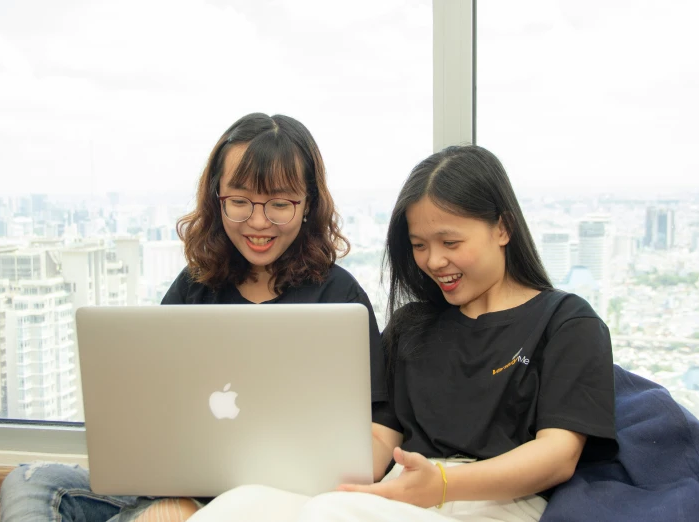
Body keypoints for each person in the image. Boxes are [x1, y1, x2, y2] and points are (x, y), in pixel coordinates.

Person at [188, 145, 618, 522]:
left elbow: (559, 455)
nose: (433, 261)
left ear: (502, 228)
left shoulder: (565, 322)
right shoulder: (412, 327)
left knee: (328, 514)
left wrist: (446, 483)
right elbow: (380, 440)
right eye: (419, 245)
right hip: (400, 494)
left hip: (497, 501)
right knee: (239, 506)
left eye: (450, 243)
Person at [0, 113, 384, 522]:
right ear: (217, 200)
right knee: (31, 479)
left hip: (283, 502)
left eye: (279, 204)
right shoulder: (195, 285)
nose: (257, 221)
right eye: (239, 201)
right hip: (181, 486)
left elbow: (382, 428)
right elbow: (149, 401)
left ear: (308, 205)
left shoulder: (339, 297)